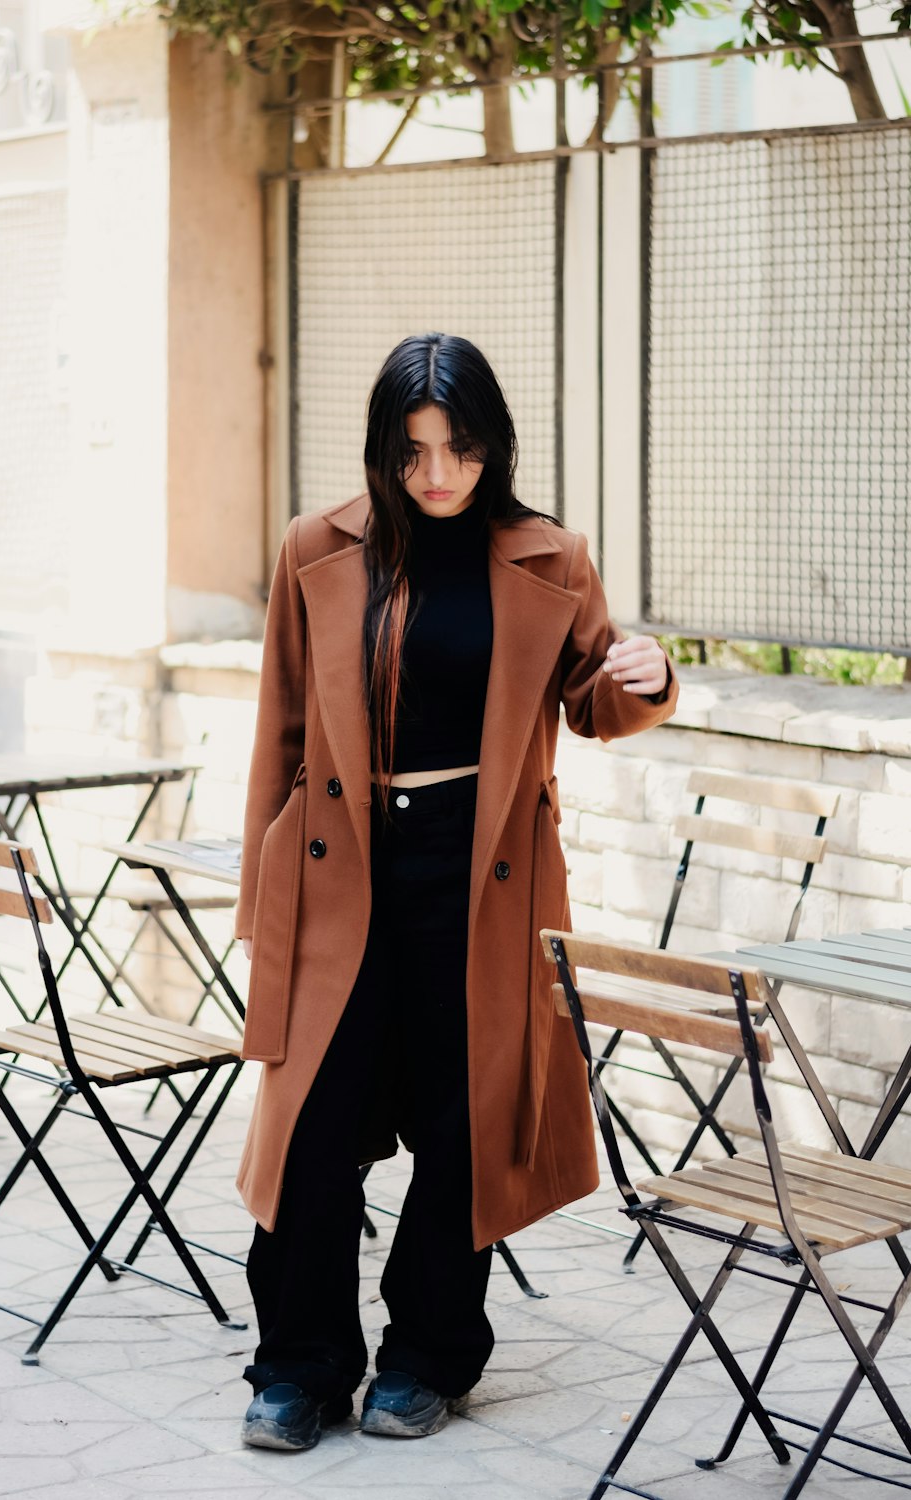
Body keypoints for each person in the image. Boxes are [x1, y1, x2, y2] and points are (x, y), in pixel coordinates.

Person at [233, 332, 678, 1452]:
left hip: (480, 874)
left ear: (494, 448)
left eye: (461, 450)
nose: (437, 475)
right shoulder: (314, 547)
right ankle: (300, 1360)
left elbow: (592, 697)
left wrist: (648, 677)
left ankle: (426, 1356)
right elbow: (279, 734)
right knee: (315, 1124)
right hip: (338, 865)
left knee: (462, 1119)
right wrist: (263, 907)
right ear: (383, 448)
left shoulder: (550, 558)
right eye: (414, 450)